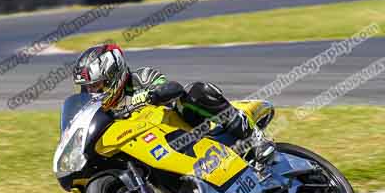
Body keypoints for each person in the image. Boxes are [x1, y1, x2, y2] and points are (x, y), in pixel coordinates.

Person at [72, 43, 274, 162]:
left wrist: (151, 96)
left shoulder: (141, 77)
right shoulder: (101, 110)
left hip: (186, 130)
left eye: (96, 85)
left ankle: (254, 138)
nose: (92, 92)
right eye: (87, 88)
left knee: (196, 92)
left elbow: (172, 87)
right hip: (151, 150)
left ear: (113, 75)